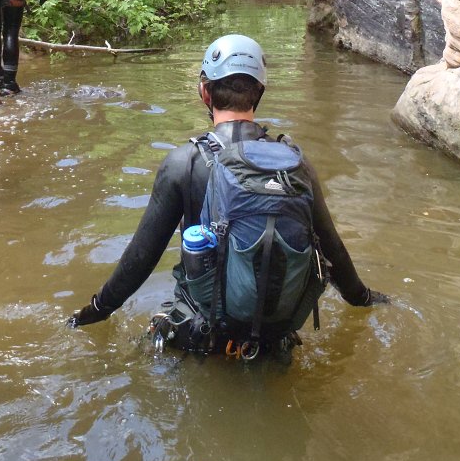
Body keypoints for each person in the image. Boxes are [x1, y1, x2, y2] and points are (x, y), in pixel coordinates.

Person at [69, 33, 389, 358]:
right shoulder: (294, 164)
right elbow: (331, 249)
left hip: (199, 334)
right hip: (271, 340)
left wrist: (93, 312)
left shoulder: (184, 163)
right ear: (259, 92)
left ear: (205, 91)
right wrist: (365, 299)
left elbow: (140, 260)